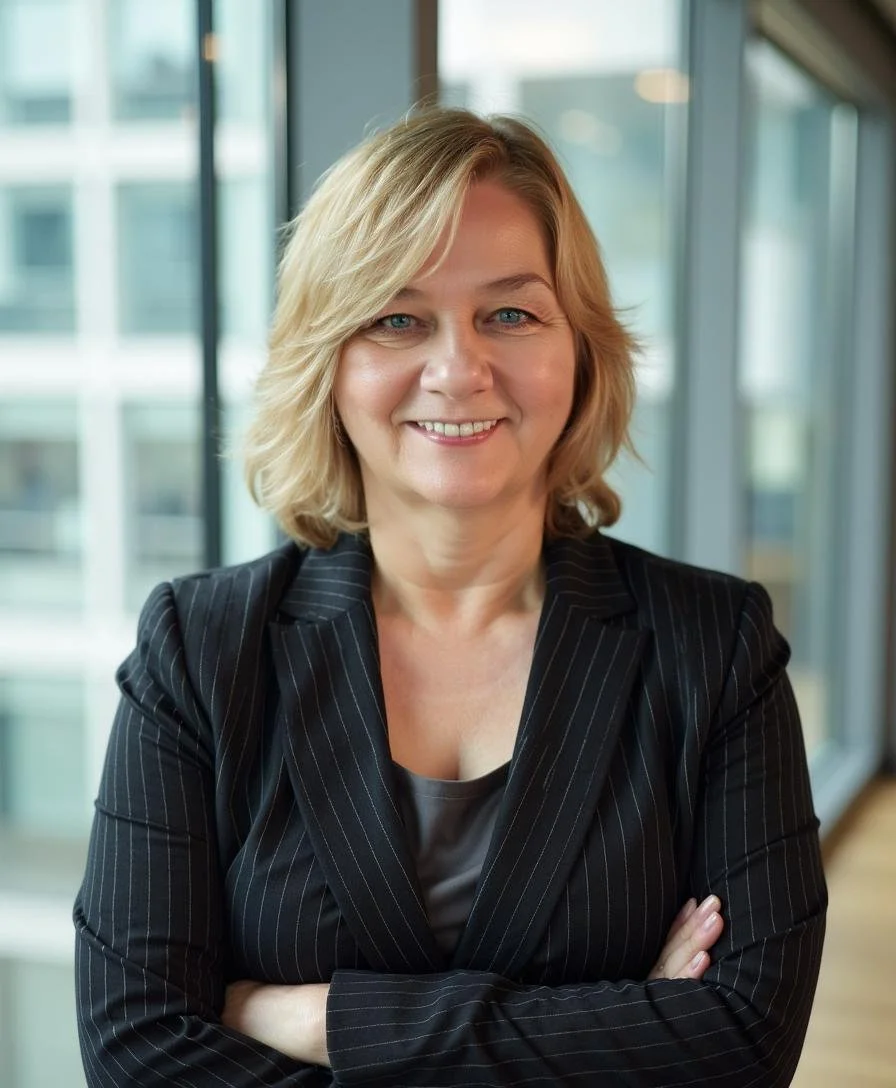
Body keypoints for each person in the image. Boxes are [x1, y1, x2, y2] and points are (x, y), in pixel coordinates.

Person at [74, 107, 826, 1086]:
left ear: (579, 351)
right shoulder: (200, 649)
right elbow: (137, 1054)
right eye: (396, 317)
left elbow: (739, 1043)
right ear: (327, 363)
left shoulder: (713, 645)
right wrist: (618, 1027)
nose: (457, 367)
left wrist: (324, 1016)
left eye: (510, 312)